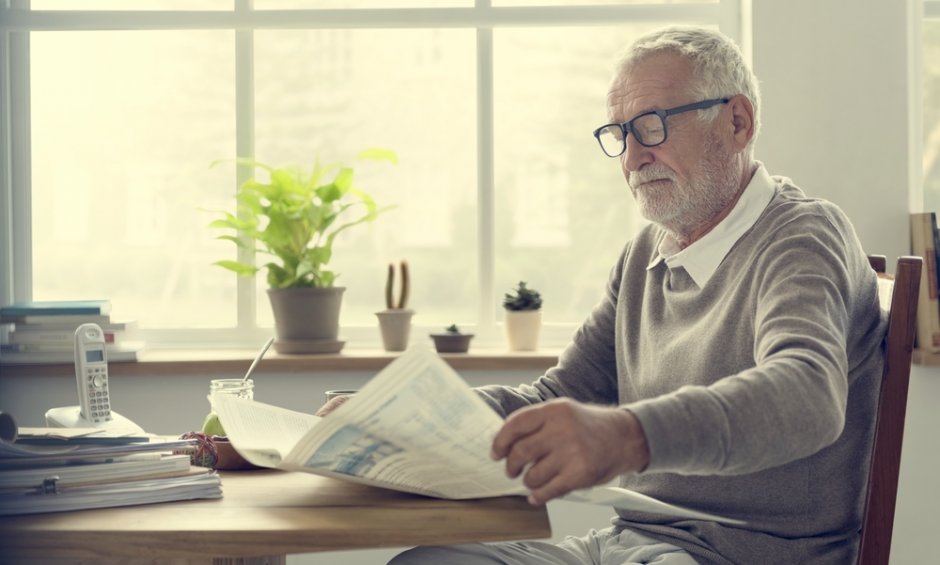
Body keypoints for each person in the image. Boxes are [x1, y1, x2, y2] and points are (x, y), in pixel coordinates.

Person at [384, 26, 886, 564]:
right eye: (621, 134)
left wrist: (629, 435)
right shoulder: (645, 252)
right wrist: (408, 417)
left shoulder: (802, 237)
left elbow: (807, 396)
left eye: (652, 126)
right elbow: (563, 396)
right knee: (426, 561)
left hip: (742, 555)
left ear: (738, 122)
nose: (632, 158)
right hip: (625, 546)